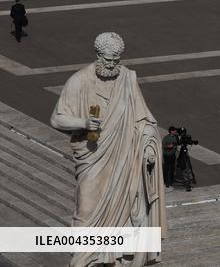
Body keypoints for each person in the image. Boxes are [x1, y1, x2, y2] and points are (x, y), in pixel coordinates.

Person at [50, 32, 165, 266]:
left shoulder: (128, 79)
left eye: (116, 60)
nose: (112, 65)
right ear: (98, 54)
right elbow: (57, 119)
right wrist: (82, 122)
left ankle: (113, 257)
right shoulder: (79, 81)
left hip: (124, 159)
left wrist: (149, 148)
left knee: (127, 210)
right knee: (86, 210)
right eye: (108, 59)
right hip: (93, 158)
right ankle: (81, 260)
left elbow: (144, 122)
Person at [162, 126, 179, 192]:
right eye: (174, 131)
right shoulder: (166, 138)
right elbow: (163, 145)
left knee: (172, 168)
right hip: (167, 155)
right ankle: (166, 181)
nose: (175, 132)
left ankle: (171, 181)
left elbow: (177, 143)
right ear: (171, 131)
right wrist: (168, 146)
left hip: (172, 155)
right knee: (167, 168)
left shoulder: (175, 137)